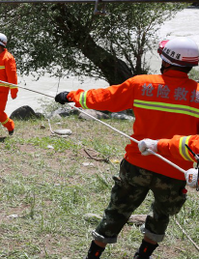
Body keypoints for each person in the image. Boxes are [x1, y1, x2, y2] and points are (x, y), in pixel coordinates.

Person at [54, 37, 199, 259]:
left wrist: (71, 96)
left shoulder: (141, 84)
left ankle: (93, 255)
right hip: (175, 170)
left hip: (137, 164)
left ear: (166, 60)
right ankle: (143, 255)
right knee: (161, 216)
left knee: (117, 211)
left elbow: (106, 98)